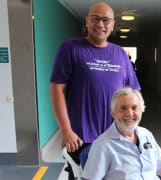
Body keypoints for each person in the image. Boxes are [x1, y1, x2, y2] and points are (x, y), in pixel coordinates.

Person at [50, 2, 140, 179]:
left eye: (106, 20)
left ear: (113, 24)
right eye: (95, 19)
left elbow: (133, 95)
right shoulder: (70, 48)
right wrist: (66, 130)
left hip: (115, 136)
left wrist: (133, 130)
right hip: (81, 137)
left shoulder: (120, 54)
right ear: (87, 21)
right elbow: (56, 89)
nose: (100, 24)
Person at [81, 87, 161, 180]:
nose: (129, 113)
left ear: (141, 110)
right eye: (123, 108)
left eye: (134, 108)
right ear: (113, 113)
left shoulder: (146, 134)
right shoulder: (103, 145)